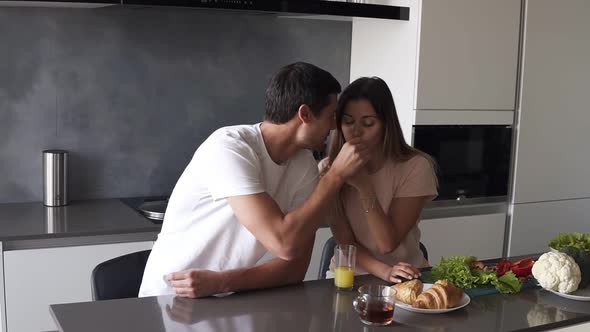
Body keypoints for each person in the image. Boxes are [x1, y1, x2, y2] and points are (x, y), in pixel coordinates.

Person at [139, 62, 370, 298]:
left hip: (228, 299)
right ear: (305, 114)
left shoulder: (303, 165)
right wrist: (335, 176)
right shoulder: (228, 147)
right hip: (169, 299)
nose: (334, 126)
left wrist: (221, 282)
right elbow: (283, 242)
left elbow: (294, 268)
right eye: (331, 116)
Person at [321, 77, 438, 283]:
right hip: (348, 276)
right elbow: (345, 240)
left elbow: (386, 243)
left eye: (368, 123)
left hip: (404, 276)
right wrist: (384, 271)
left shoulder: (416, 166)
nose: (356, 131)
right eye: (348, 122)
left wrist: (364, 186)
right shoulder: (328, 170)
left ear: (386, 125)